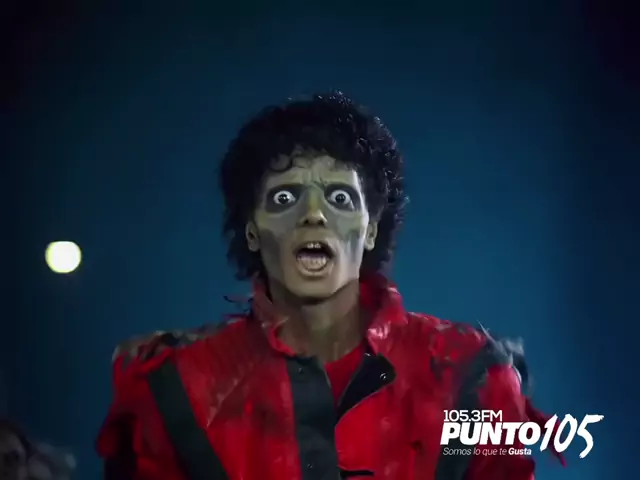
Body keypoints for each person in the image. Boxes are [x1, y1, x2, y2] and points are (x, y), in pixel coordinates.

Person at [96, 92, 562, 479]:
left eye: (340, 197)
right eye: (285, 197)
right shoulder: (177, 388)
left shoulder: (470, 376)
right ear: (251, 229)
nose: (313, 214)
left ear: (371, 228)